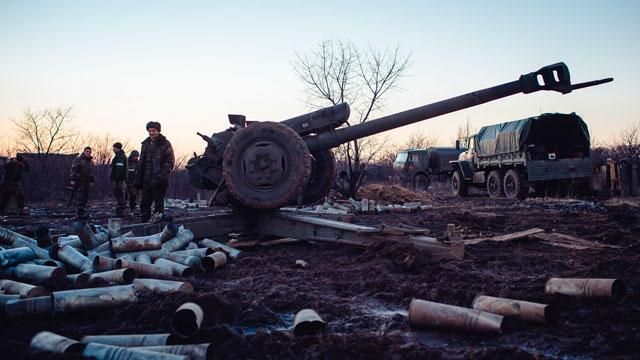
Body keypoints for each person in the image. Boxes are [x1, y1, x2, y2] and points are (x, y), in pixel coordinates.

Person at [135, 121, 175, 223]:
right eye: (150, 131)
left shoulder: (165, 144)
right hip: (146, 180)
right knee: (144, 204)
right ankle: (144, 225)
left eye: (154, 131)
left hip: (159, 180)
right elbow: (141, 162)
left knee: (158, 205)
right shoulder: (145, 144)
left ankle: (158, 227)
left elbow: (170, 162)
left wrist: (161, 176)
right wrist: (138, 178)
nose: (151, 133)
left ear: (158, 131)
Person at [70, 147, 95, 219]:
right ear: (84, 152)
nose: (88, 153)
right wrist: (73, 179)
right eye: (87, 151)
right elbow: (74, 169)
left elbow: (91, 172)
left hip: (87, 182)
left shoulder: (90, 161)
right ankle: (79, 214)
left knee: (85, 197)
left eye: (90, 152)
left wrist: (92, 180)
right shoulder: (79, 159)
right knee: (80, 197)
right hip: (80, 181)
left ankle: (82, 213)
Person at [110, 142, 127, 217]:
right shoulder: (119, 156)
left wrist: (116, 179)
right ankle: (121, 211)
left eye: (114, 148)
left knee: (119, 194)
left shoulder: (120, 157)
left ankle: (120, 212)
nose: (113, 149)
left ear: (117, 148)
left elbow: (119, 169)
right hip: (119, 179)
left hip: (119, 180)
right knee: (119, 195)